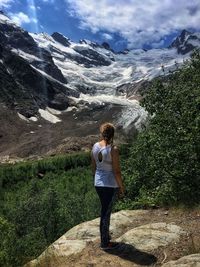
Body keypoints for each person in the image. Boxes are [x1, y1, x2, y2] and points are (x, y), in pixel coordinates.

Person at [91, 122, 125, 250]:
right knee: (106, 212)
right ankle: (105, 243)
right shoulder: (113, 149)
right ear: (113, 134)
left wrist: (97, 179)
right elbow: (117, 171)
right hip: (110, 185)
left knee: (105, 210)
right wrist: (121, 187)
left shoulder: (95, 146)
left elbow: (93, 167)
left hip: (98, 183)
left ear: (102, 133)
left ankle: (105, 238)